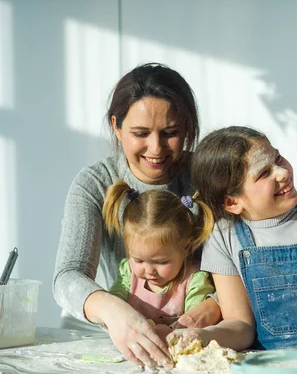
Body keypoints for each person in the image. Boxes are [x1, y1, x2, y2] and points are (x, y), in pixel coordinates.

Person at [53, 63, 221, 369]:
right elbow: (67, 277)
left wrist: (212, 308)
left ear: (187, 127)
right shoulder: (95, 183)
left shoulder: (206, 178)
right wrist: (114, 311)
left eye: (171, 133)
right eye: (140, 134)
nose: (156, 149)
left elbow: (246, 269)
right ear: (116, 126)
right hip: (120, 341)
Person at [167, 126, 297, 351]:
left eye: (278, 158)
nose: (282, 173)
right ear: (232, 203)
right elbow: (241, 326)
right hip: (269, 363)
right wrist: (205, 335)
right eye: (264, 173)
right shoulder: (223, 236)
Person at [103, 180, 215, 340]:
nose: (149, 271)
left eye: (161, 262)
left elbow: (197, 322)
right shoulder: (128, 273)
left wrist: (170, 332)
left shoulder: (194, 280)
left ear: (186, 247)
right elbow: (114, 306)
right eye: (139, 260)